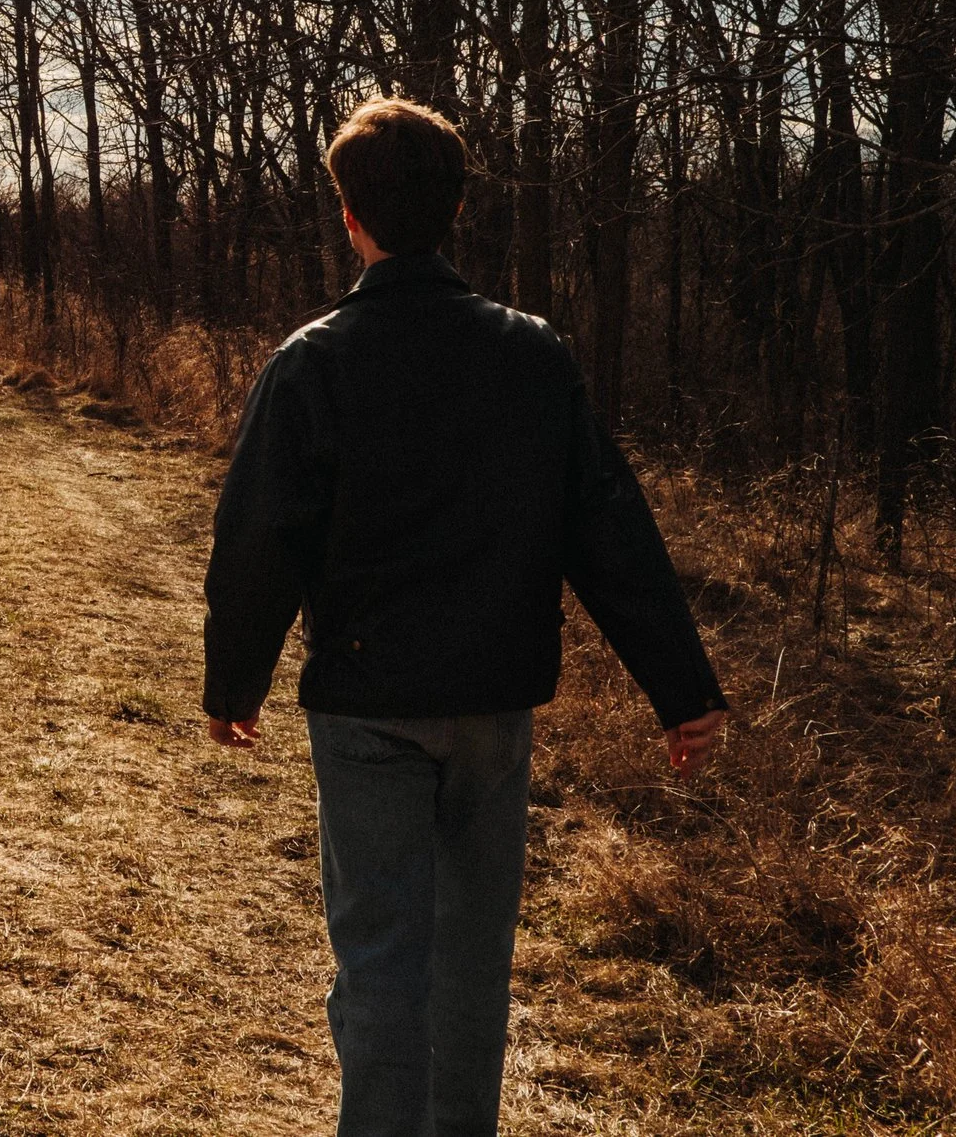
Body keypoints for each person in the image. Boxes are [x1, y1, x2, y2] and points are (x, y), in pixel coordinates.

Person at [202, 97, 728, 1137]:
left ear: (348, 215)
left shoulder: (313, 360)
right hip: (492, 705)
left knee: (382, 962)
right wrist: (683, 688)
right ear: (454, 209)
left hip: (365, 708)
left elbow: (259, 534)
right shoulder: (531, 356)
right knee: (470, 966)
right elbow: (609, 526)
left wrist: (234, 681)